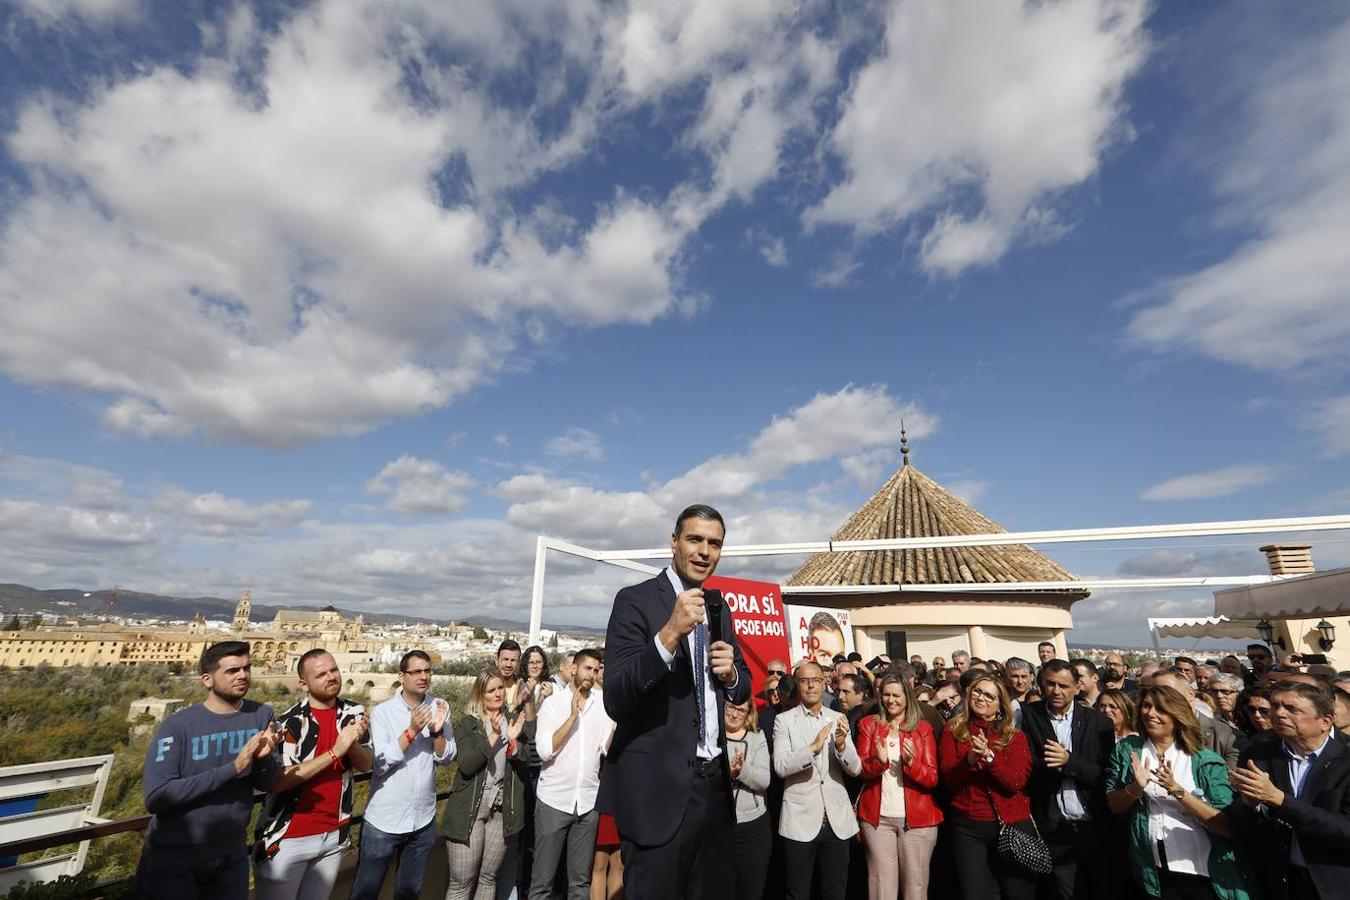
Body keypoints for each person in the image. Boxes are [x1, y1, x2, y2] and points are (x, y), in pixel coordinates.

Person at [598, 504, 751, 900]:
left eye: (714, 543)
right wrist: (667, 636)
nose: (704, 551)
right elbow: (615, 699)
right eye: (695, 539)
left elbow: (743, 686)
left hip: (714, 791)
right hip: (656, 795)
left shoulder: (720, 606)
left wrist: (732, 674)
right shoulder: (635, 601)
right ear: (673, 541)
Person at [136, 641, 281, 899]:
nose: (243, 676)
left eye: (247, 668)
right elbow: (157, 796)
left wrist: (264, 759)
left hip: (232, 856)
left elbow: (268, 782)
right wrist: (234, 767)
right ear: (207, 679)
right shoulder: (178, 726)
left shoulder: (261, 715)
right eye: (232, 671)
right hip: (174, 859)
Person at [1105, 685, 1257, 900]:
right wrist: (1136, 788)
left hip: (1202, 870)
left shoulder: (1204, 761)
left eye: (1161, 709)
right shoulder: (1128, 751)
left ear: (1178, 715)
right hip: (1154, 870)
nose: (1151, 713)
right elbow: (1114, 804)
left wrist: (1177, 790)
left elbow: (1226, 826)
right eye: (1146, 706)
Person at [254, 650, 373, 900]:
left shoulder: (353, 714)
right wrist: (335, 752)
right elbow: (278, 781)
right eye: (321, 674)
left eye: (333, 670)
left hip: (333, 837)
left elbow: (366, 764)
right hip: (288, 839)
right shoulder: (290, 723)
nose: (331, 677)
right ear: (303, 683)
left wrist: (351, 745)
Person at [350, 650, 455, 900]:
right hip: (385, 822)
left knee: (409, 893)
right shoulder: (384, 713)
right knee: (365, 892)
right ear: (402, 676)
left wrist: (437, 733)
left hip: (423, 821)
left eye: (427, 671)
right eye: (416, 671)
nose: (423, 676)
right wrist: (412, 731)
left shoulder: (439, 707)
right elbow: (380, 763)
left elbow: (448, 756)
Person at [1230, 681, 1350, 900]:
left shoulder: (1346, 759)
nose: (1279, 714)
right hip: (1280, 881)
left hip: (1335, 882)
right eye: (1275, 706)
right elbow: (1243, 817)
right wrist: (1249, 805)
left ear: (1325, 722)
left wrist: (1279, 800)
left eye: (1292, 709)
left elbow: (1345, 829)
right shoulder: (1260, 751)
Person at [1020, 660, 1115, 900]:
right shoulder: (1029, 716)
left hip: (1093, 824)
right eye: (1050, 684)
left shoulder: (1098, 723)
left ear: (1077, 687)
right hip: (1054, 826)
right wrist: (1054, 765)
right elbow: (1028, 766)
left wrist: (1069, 761)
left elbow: (1104, 774)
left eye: (1063, 685)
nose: (1056, 690)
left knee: (1103, 887)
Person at [937, 673, 1036, 900]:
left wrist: (990, 758)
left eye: (990, 696)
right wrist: (969, 760)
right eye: (978, 692)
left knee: (1018, 892)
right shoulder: (953, 729)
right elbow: (950, 778)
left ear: (1000, 705)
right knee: (975, 893)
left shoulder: (1014, 737)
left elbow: (1015, 782)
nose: (982, 698)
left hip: (1013, 824)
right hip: (969, 825)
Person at [772, 660, 861, 900]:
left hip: (836, 822)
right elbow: (780, 766)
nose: (811, 685)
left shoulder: (838, 718)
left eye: (816, 680)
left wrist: (841, 746)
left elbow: (855, 768)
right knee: (798, 892)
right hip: (800, 821)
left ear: (824, 684)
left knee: (835, 892)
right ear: (797, 685)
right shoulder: (784, 721)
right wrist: (812, 748)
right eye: (804, 680)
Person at [529, 649, 613, 900]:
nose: (592, 674)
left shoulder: (603, 706)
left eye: (596, 670)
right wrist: (572, 717)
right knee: (542, 883)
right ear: (573, 669)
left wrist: (619, 724)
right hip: (554, 801)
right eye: (588, 668)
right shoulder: (553, 704)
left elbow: (606, 749)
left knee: (580, 883)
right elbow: (544, 751)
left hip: (587, 804)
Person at [443, 667, 531, 900]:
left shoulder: (512, 721)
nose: (497, 694)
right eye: (491, 690)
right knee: (462, 882)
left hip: (502, 807)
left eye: (500, 688)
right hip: (470, 806)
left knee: (488, 878)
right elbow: (468, 765)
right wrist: (493, 736)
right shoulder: (468, 725)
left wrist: (514, 745)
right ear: (480, 694)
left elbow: (526, 760)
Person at [856, 674, 940, 900]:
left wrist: (912, 765)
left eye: (896, 695)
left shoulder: (922, 728)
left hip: (917, 821)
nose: (890, 700)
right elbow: (861, 770)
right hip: (877, 819)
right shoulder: (868, 725)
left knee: (916, 888)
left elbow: (932, 778)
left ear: (907, 697)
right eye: (886, 695)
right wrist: (879, 762)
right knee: (881, 888)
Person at [724, 696, 771, 900]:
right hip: (718, 827)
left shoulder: (756, 738)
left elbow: (763, 780)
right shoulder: (712, 738)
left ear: (748, 713)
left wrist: (742, 771)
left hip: (753, 829)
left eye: (740, 710)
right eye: (730, 708)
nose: (734, 714)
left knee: (751, 892)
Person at [1151, 669, 1239, 767]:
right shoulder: (1147, 732)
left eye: (1167, 693)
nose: (1159, 699)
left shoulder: (1227, 736)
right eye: (1154, 694)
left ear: (1191, 694)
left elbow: (1229, 779)